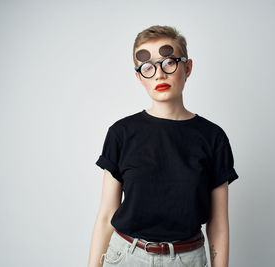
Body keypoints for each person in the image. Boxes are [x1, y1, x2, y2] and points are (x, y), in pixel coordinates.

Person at [87, 25, 239, 267]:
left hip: (187, 259)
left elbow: (218, 224)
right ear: (139, 77)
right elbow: (107, 215)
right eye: (147, 67)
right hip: (126, 257)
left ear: (187, 67)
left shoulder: (213, 138)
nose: (159, 74)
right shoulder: (121, 133)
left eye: (168, 62)